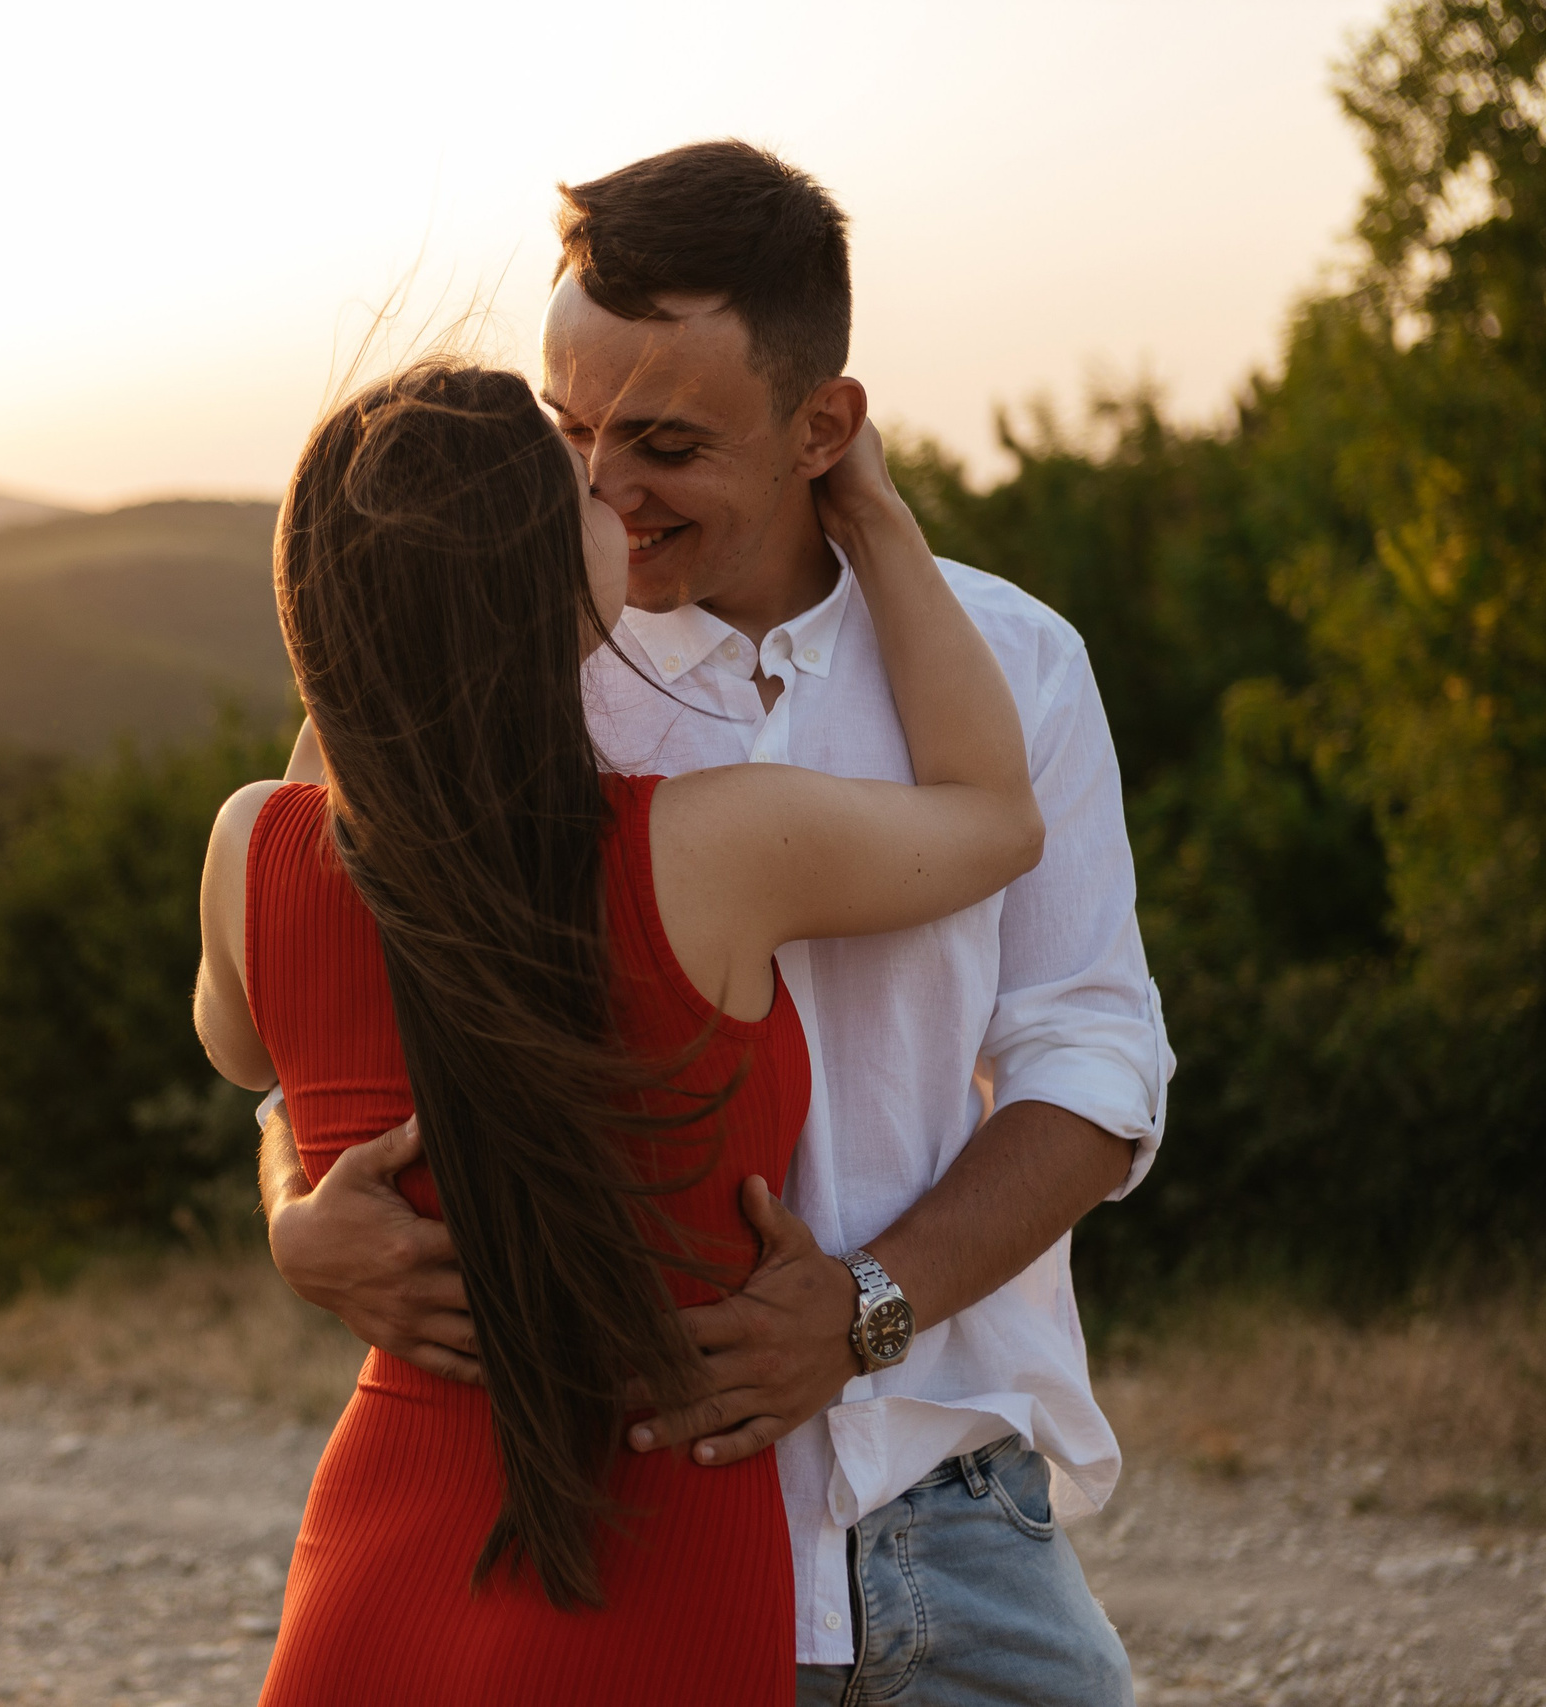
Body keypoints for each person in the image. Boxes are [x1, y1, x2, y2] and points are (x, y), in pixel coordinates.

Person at [255, 141, 1171, 1705]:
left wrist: (868, 1308)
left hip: (945, 1513)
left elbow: (1093, 1061)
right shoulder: (506, 657)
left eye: (664, 441)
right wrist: (297, 1205)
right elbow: (325, 992)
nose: (601, 484)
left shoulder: (1014, 667)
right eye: (567, 429)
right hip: (610, 1534)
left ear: (824, 426)